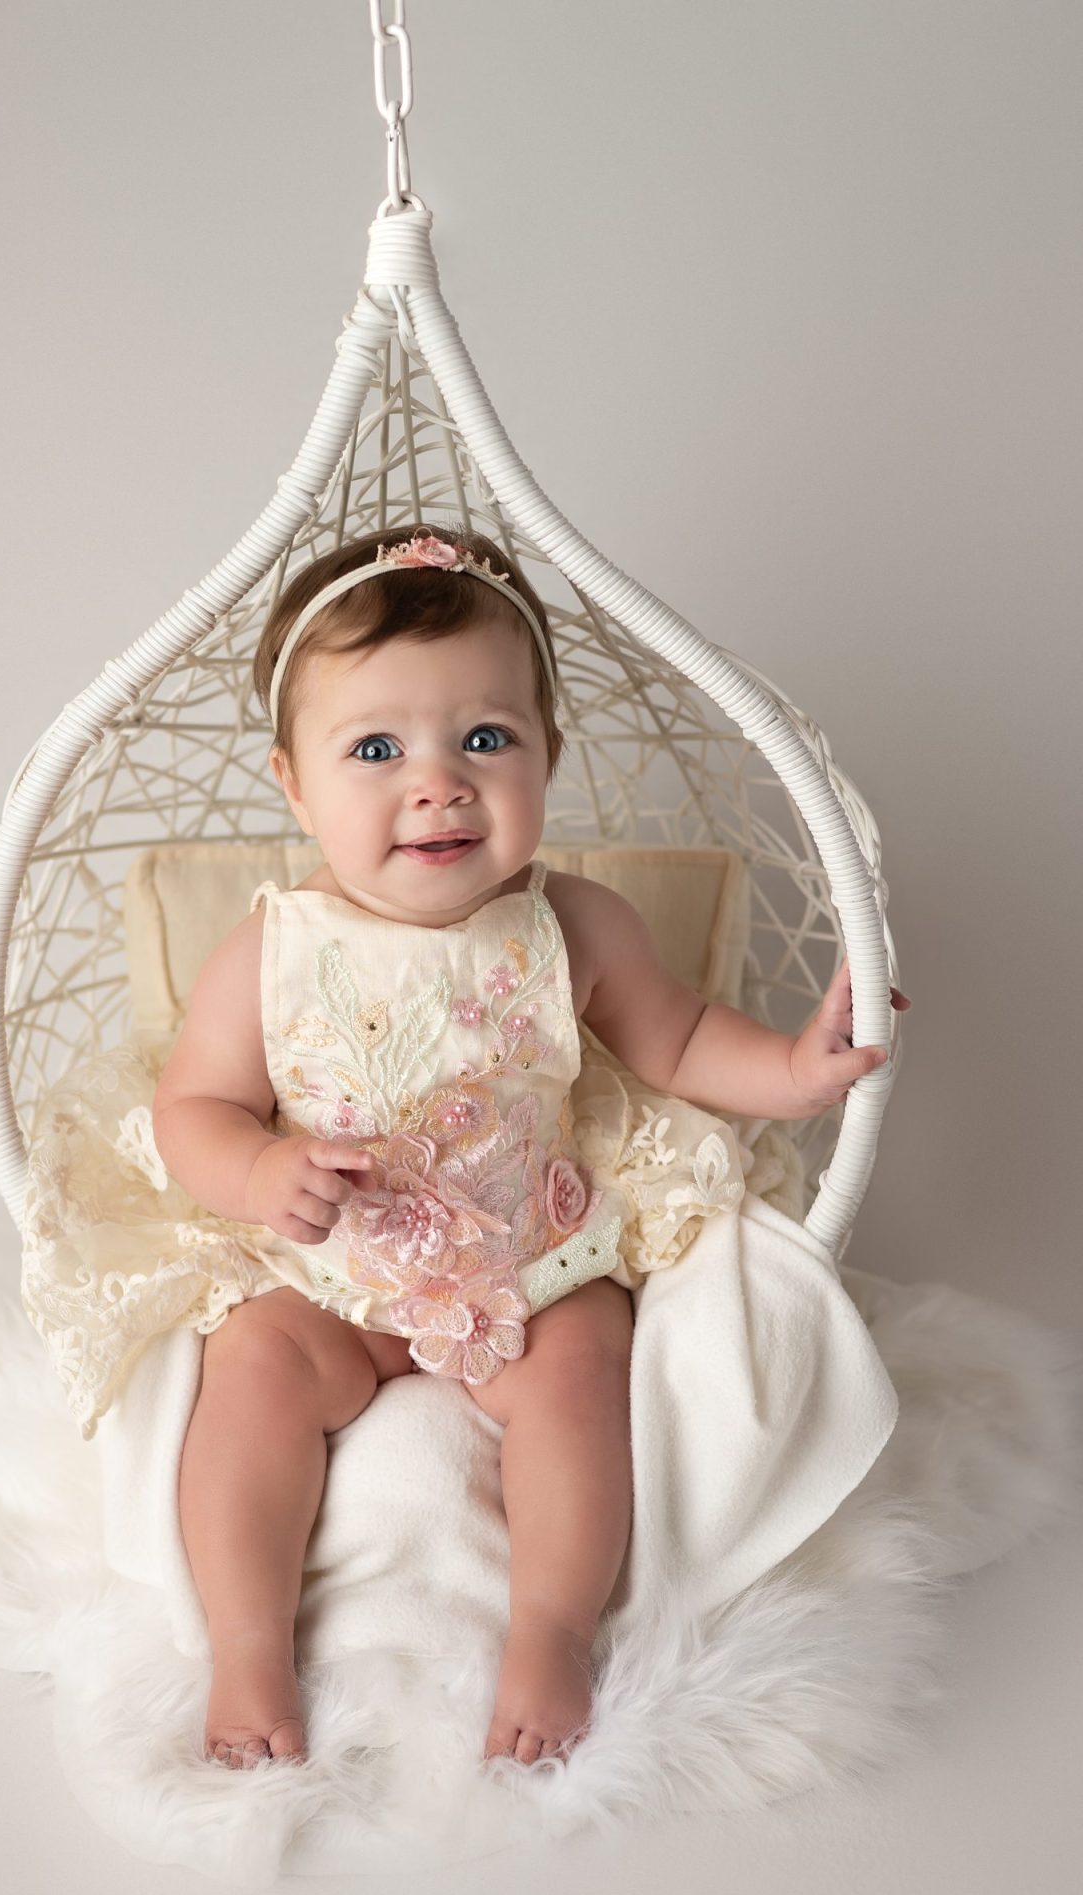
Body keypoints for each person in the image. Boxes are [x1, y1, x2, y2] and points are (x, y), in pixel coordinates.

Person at [148, 521, 911, 1772]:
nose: (438, 783)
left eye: (486, 740)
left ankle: (550, 1629)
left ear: (548, 754)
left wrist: (794, 1068)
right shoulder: (270, 952)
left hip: (529, 1255)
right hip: (333, 1276)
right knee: (251, 1379)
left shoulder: (572, 925)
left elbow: (677, 1042)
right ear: (294, 783)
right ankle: (245, 1646)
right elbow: (195, 1111)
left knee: (577, 1378)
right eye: (377, 749)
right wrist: (254, 1171)